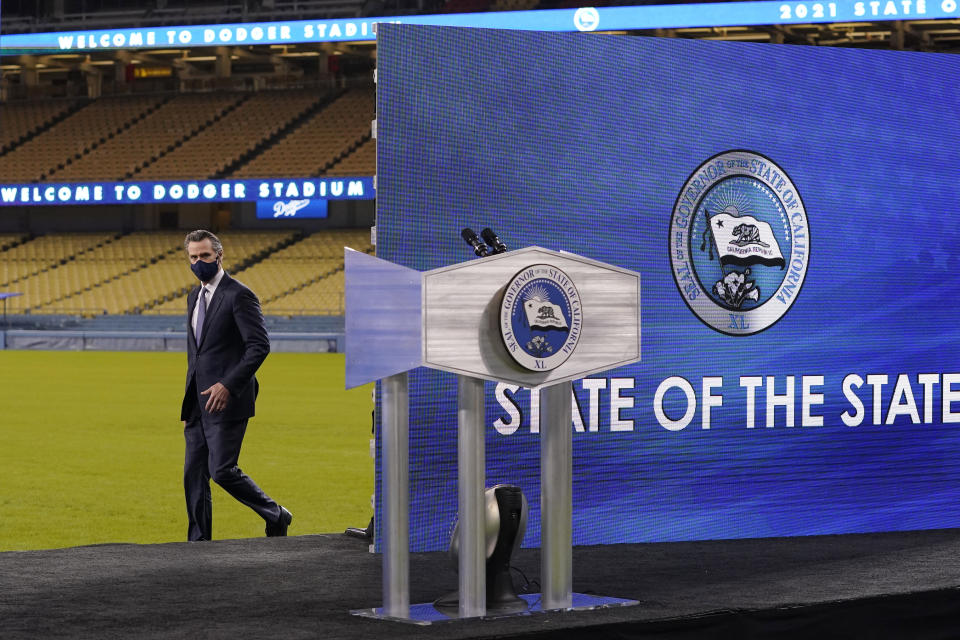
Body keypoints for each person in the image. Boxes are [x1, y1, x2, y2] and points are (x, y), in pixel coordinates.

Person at [179, 229, 292, 541]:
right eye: (193, 257)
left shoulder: (239, 294)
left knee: (222, 471)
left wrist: (227, 385)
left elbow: (259, 346)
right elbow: (197, 356)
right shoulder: (192, 297)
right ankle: (198, 541)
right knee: (193, 475)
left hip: (228, 399)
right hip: (198, 404)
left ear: (219, 255)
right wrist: (190, 403)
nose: (198, 262)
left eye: (204, 255)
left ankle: (275, 513)